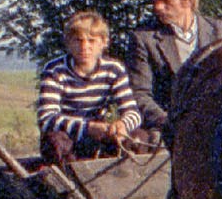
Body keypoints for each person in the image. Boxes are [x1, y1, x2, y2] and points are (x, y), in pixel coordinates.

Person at [123, 0, 222, 133]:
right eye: (154, 1)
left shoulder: (220, 31)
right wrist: (171, 124)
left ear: (188, 1)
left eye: (165, 1)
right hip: (168, 133)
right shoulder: (144, 39)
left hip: (218, 128)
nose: (157, 7)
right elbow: (139, 94)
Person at [35, 11, 143, 164]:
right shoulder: (55, 70)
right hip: (67, 138)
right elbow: (46, 118)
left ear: (103, 43)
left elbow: (133, 113)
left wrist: (122, 125)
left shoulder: (114, 69)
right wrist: (87, 128)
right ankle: (68, 184)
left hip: (99, 137)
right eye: (78, 41)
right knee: (55, 141)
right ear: (69, 43)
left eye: (91, 41)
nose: (84, 47)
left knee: (138, 137)